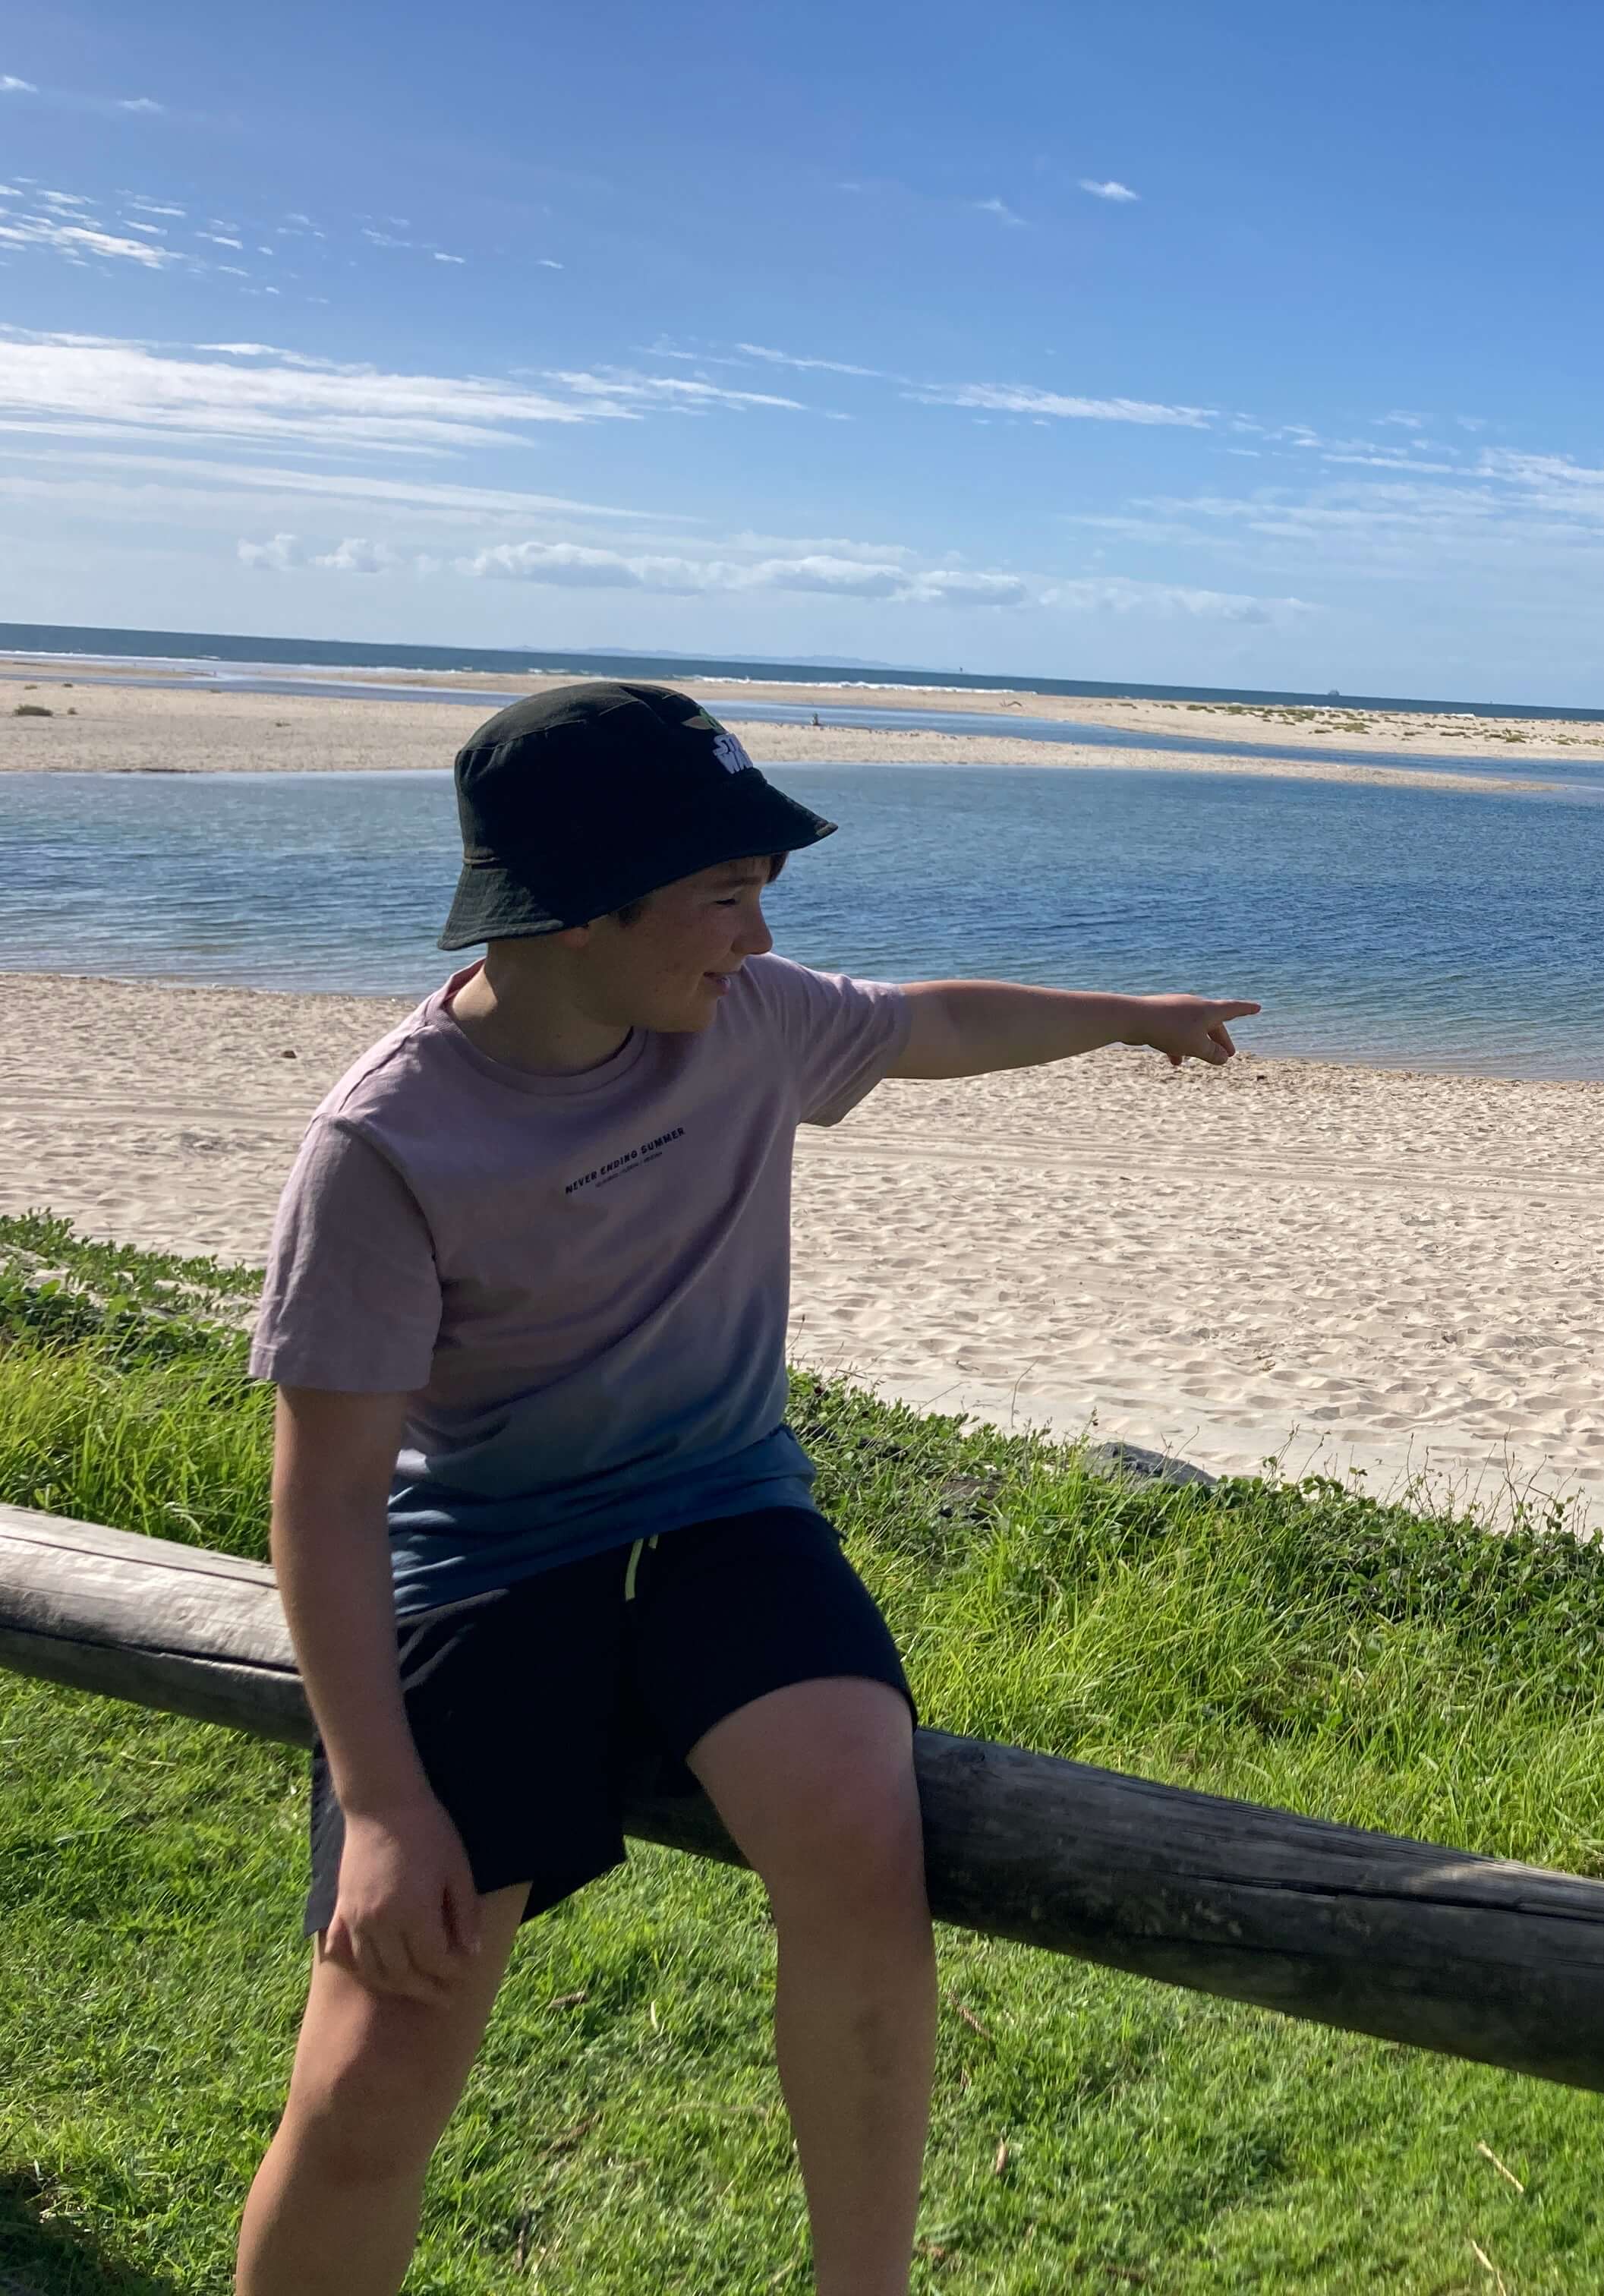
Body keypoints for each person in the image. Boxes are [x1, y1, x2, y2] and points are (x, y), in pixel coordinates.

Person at [234, 681, 1259, 2296]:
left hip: (726, 1519)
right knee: (377, 2057)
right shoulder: (386, 1145)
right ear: (576, 915)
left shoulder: (750, 1017)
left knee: (864, 1838)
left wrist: (1127, 1015)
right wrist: (382, 1805)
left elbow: (933, 1023)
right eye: (724, 896)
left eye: (765, 895)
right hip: (483, 1560)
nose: (757, 936)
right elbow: (327, 1494)